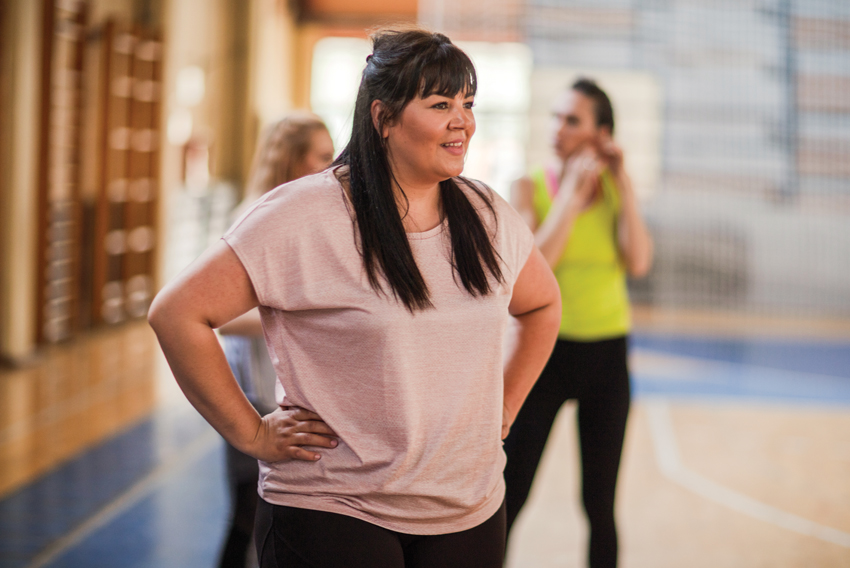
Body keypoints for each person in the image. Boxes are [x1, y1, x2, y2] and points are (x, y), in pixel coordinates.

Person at [148, 27, 562, 568]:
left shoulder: (487, 215)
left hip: (469, 509)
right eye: (440, 104)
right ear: (383, 118)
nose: (462, 120)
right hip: (333, 508)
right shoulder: (304, 214)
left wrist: (503, 408)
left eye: (467, 103)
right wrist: (250, 430)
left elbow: (541, 306)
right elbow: (178, 313)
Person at [503, 78, 653, 568]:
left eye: (572, 120)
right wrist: (568, 192)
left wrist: (624, 183)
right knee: (511, 495)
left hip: (607, 357)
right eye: (555, 117)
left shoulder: (614, 190)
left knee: (599, 505)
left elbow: (638, 262)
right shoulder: (528, 186)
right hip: (541, 354)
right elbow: (535, 267)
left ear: (600, 134)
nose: (558, 129)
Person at [215, 112, 334, 568]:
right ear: (290, 161)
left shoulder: (311, 218)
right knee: (248, 519)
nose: (330, 167)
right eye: (321, 157)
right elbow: (225, 318)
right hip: (255, 397)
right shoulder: (253, 218)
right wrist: (301, 311)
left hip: (286, 394)